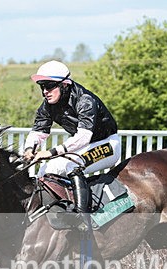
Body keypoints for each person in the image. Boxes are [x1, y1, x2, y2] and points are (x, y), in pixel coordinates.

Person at [22, 60, 121, 224]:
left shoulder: (85, 100)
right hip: (86, 146)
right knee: (45, 170)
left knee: (71, 166)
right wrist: (28, 149)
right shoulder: (48, 105)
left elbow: (83, 137)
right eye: (42, 86)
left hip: (108, 144)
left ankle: (82, 218)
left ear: (65, 85)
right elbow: (38, 132)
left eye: (49, 86)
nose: (45, 91)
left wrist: (51, 152)